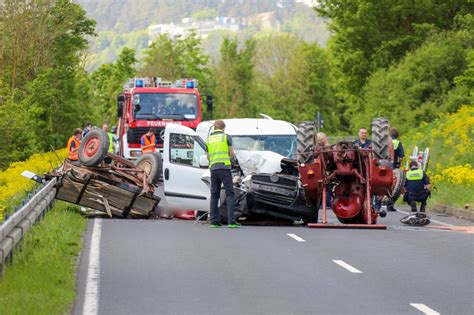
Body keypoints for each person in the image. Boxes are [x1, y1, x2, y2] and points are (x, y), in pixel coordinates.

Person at [206, 120, 240, 228]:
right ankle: (231, 221)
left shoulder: (208, 139)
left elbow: (208, 157)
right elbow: (231, 154)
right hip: (224, 168)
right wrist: (230, 159)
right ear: (223, 128)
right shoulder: (226, 137)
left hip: (213, 169)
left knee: (214, 195)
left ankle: (214, 221)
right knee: (230, 194)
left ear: (215, 128)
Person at [383, 127, 405, 211]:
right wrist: (399, 164)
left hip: (383, 165)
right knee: (394, 186)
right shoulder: (398, 143)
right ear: (397, 135)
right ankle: (390, 205)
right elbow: (401, 156)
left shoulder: (385, 142)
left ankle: (376, 204)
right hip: (394, 167)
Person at [315, 132, 332, 208]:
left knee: (326, 186)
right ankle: (326, 203)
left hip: (323, 169)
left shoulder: (320, 147)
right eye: (325, 138)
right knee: (327, 187)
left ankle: (325, 203)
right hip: (323, 170)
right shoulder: (325, 147)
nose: (326, 139)